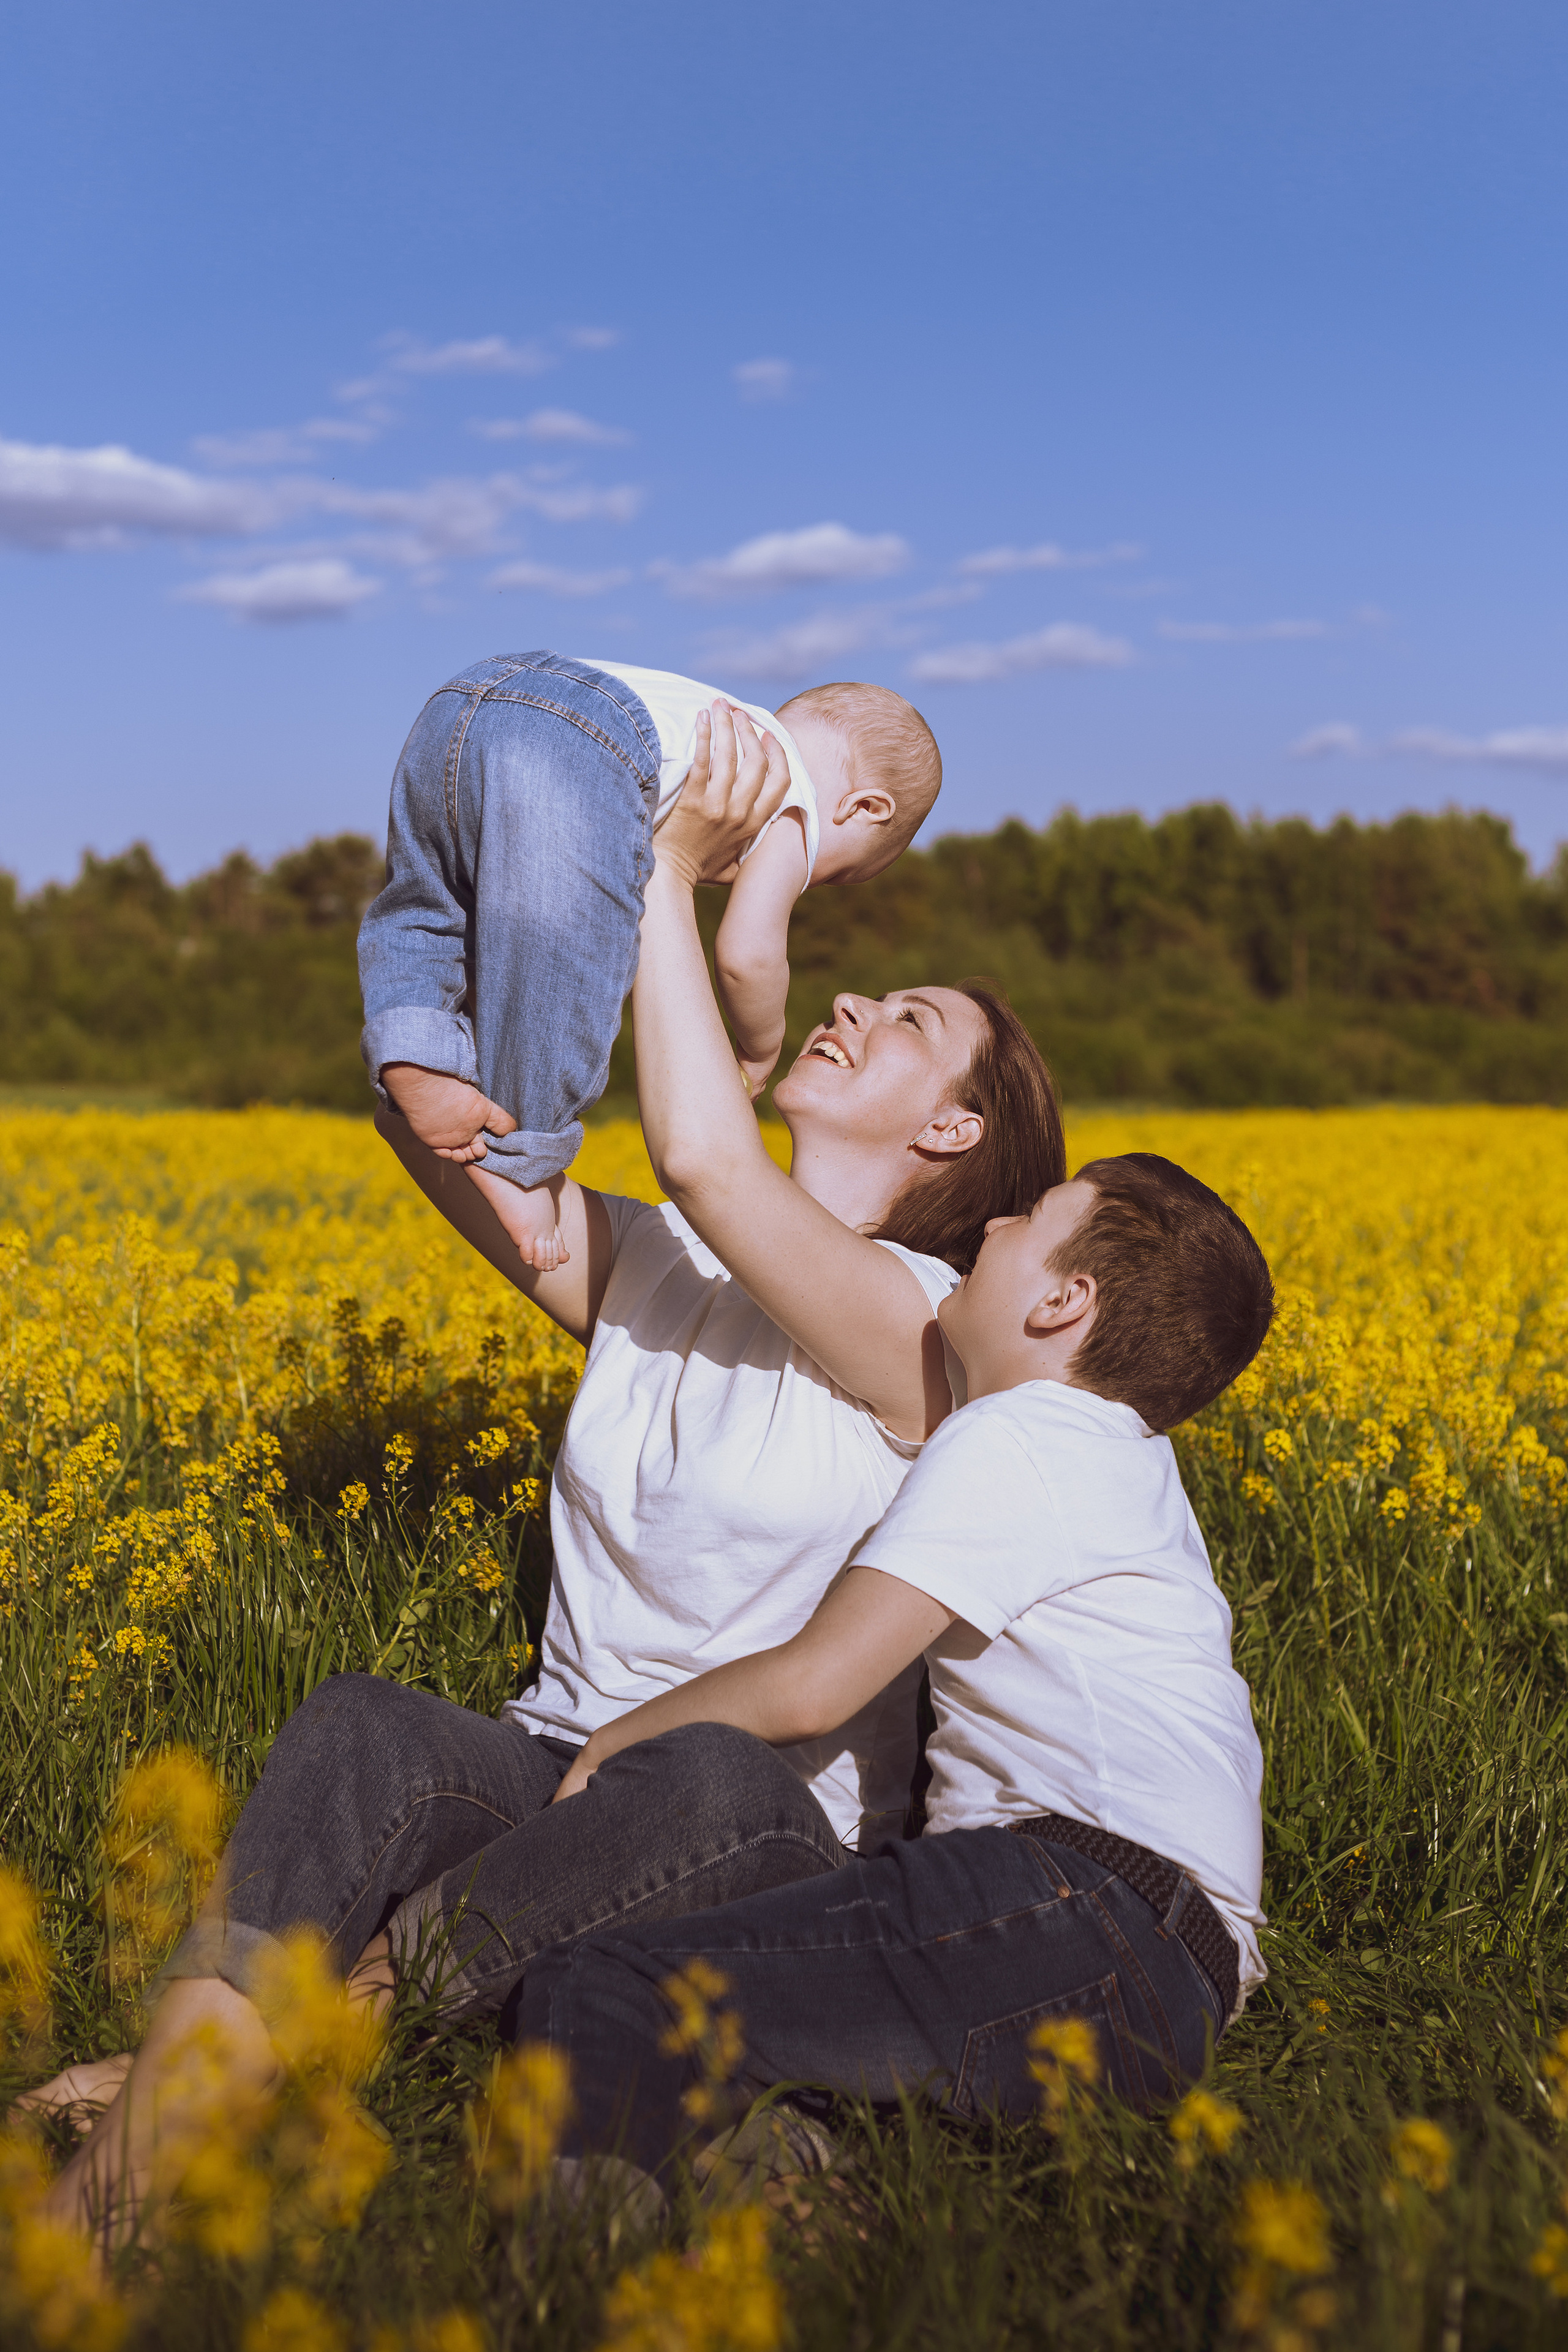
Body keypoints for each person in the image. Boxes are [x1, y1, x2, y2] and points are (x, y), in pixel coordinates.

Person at [37, 703, 1060, 2241]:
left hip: (751, 1835)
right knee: (367, 1728)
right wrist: (511, 847)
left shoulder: (921, 1327)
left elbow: (704, 1155)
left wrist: (664, 856)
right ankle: (124, 2191)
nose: (853, 998)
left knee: (709, 1773)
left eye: (907, 1019)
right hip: (552, 1772)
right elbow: (431, 1121)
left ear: (953, 1125)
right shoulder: (657, 1267)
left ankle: (303, 2046)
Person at [518, 1152, 1275, 2193]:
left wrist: (613, 1743)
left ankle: (584, 2266)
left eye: (1028, 1218)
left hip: (1079, 1906)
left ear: (1064, 1301)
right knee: (750, 2032)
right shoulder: (1129, 1463)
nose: (993, 1227)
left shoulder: (1021, 1433)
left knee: (607, 1986)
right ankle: (800, 2215)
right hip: (1170, 1992)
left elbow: (814, 1685)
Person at [358, 650, 943, 1270]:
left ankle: (415, 1048)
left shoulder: (728, 727)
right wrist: (760, 1045)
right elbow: (748, 955)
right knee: (564, 965)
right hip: (587, 741)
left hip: (466, 700)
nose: (811, 882)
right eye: (836, 877)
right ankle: (521, 1161)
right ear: (865, 808)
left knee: (430, 903)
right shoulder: (795, 802)